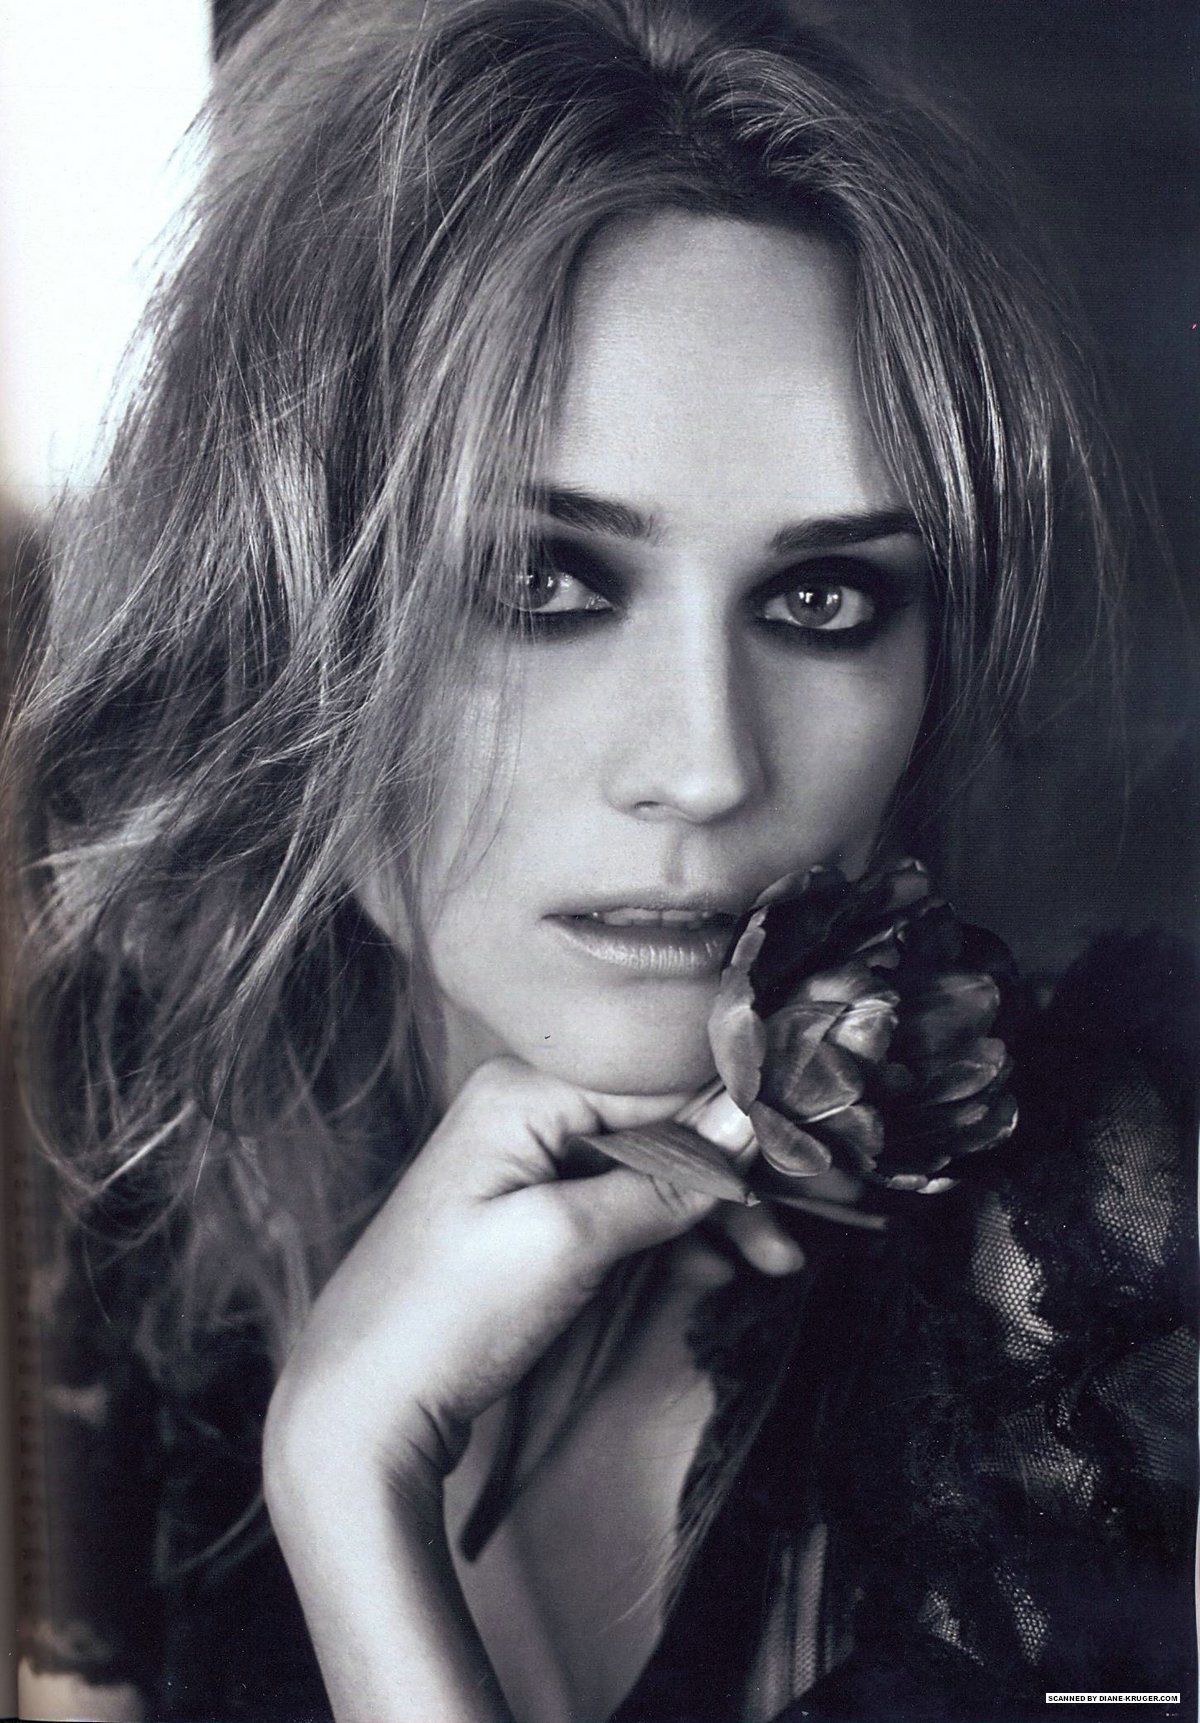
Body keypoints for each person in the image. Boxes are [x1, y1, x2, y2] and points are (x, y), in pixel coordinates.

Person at [9, 1, 1194, 1719]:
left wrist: (352, 1487)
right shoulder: (123, 1191)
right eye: (541, 582)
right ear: (284, 616)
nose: (707, 765)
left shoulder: (1103, 1272)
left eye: (824, 598)